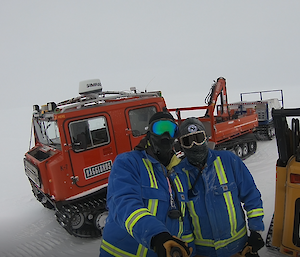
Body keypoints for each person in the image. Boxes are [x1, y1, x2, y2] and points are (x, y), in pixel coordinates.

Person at [100, 111, 195, 257]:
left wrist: (188, 250)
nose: (165, 135)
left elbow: (184, 219)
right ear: (149, 133)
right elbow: (123, 204)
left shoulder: (179, 172)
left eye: (170, 130)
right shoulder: (128, 162)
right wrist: (157, 236)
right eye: (159, 129)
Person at [175, 117, 265, 257]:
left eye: (199, 138)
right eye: (188, 141)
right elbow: (182, 218)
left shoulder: (229, 160)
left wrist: (256, 231)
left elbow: (251, 196)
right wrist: (190, 251)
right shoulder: (178, 174)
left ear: (206, 138)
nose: (194, 145)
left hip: (238, 248)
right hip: (204, 253)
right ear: (181, 145)